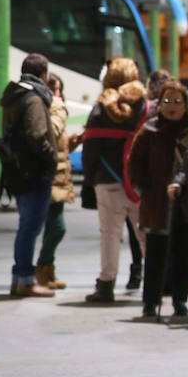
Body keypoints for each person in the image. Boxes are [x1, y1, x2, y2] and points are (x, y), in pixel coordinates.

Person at [127, 82, 188, 322]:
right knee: (155, 254)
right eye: (167, 102)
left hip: (187, 203)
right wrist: (145, 189)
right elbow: (134, 163)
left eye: (177, 102)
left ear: (186, 105)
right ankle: (151, 301)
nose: (172, 107)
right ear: (159, 105)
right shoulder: (150, 130)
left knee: (185, 252)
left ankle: (180, 299)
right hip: (158, 203)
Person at [80, 57, 149, 303]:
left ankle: (106, 284)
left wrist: (90, 179)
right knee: (145, 234)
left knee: (110, 234)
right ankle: (155, 285)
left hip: (107, 181)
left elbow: (90, 150)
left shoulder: (101, 109)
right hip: (140, 183)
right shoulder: (144, 106)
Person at [0, 54, 57, 297]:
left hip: (19, 171)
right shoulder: (33, 99)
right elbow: (36, 135)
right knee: (30, 228)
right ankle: (25, 279)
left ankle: (19, 278)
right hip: (34, 171)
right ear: (43, 74)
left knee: (26, 226)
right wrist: (51, 156)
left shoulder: (15, 96)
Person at [37, 73, 82, 290]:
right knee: (57, 228)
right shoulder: (49, 112)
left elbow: (59, 145)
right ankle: (41, 269)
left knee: (52, 227)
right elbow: (50, 137)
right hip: (49, 177)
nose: (58, 96)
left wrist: (74, 141)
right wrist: (58, 107)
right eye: (55, 91)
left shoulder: (53, 112)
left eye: (60, 91)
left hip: (59, 176)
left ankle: (47, 270)